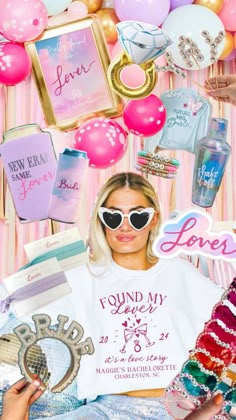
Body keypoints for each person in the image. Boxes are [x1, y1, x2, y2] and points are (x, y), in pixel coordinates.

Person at [0, 172, 225, 419]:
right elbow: (11, 302)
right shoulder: (81, 274)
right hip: (105, 410)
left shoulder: (178, 272)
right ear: (101, 220)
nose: (125, 226)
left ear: (154, 220)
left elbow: (228, 314)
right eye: (113, 216)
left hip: (175, 408)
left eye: (138, 216)